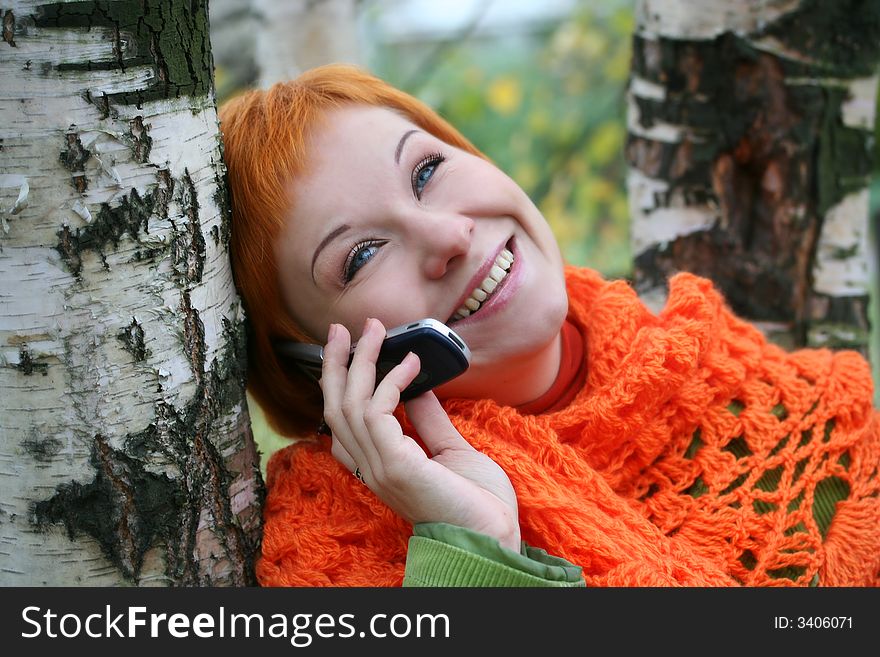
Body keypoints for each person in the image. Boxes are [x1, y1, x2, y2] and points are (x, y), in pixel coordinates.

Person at [218, 63, 880, 587]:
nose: (449, 233)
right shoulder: (333, 548)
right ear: (310, 362)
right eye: (360, 255)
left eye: (427, 170)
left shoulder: (770, 404)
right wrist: (476, 551)